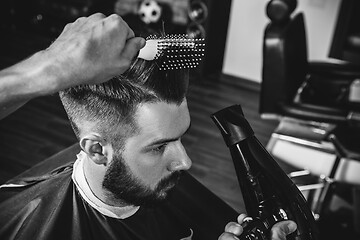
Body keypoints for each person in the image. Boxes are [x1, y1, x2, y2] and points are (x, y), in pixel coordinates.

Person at [0, 13, 296, 240]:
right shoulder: (24, 224)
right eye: (158, 146)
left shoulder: (159, 186)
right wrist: (46, 68)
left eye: (181, 138)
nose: (185, 162)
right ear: (97, 150)